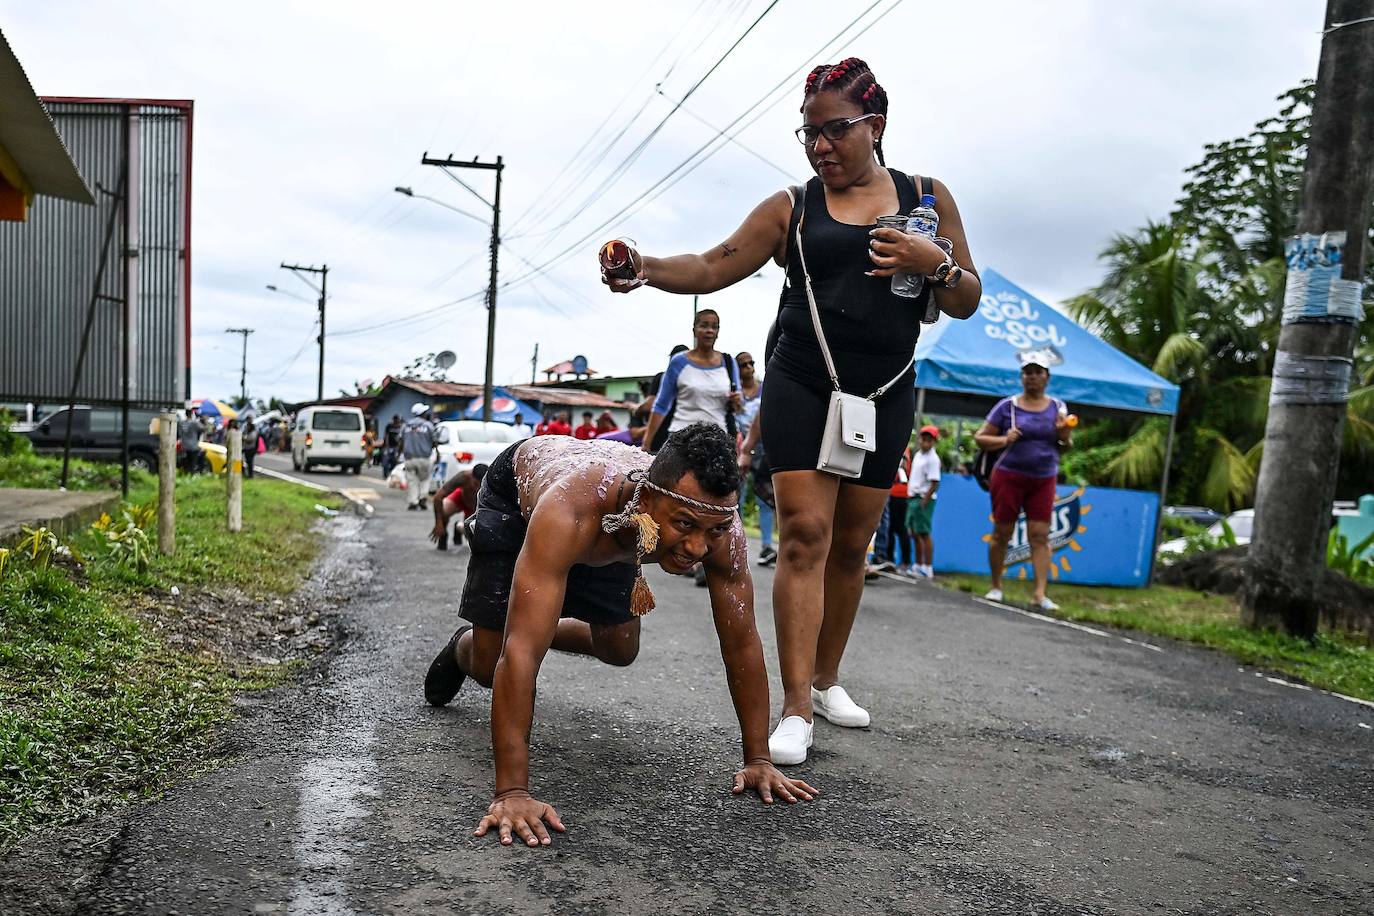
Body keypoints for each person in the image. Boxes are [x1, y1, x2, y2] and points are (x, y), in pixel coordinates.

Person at [603, 58, 981, 764]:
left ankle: (829, 679)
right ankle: (797, 708)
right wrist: (647, 267)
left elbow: (965, 297)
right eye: (809, 134)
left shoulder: (928, 197)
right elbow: (714, 264)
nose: (820, 147)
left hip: (886, 390)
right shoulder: (793, 207)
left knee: (852, 542)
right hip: (804, 382)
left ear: (875, 125)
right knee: (806, 533)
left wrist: (935, 261)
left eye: (835, 130)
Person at [423, 424, 816, 846]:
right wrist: (513, 793)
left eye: (713, 531)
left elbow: (741, 641)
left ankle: (536, 621)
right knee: (492, 662)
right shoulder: (569, 510)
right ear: (646, 501)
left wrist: (758, 758)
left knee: (619, 648)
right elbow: (519, 652)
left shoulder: (719, 526)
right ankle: (466, 645)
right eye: (685, 525)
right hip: (524, 498)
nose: (699, 549)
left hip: (620, 525)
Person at [973, 355, 1073, 611]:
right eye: (1028, 372)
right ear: (1022, 376)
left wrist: (1065, 436)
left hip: (1044, 478)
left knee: (1040, 536)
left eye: (1038, 371)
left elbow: (1065, 446)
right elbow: (981, 438)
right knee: (1002, 532)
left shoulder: (1058, 407)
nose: (1033, 376)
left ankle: (1040, 594)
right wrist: (1004, 439)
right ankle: (996, 586)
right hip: (1008, 476)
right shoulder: (1007, 406)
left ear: (1047, 377)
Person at [641, 310, 741, 455]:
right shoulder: (679, 362)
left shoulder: (729, 362)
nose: (709, 331)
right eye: (704, 326)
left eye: (714, 327)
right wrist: (647, 443)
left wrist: (736, 401)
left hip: (717, 441)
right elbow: (661, 405)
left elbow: (738, 406)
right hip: (682, 439)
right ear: (694, 330)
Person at [735, 350, 776, 567]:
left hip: (764, 449)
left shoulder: (764, 390)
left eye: (751, 363)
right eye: (743, 364)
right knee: (736, 499)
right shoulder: (733, 394)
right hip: (738, 448)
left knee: (765, 499)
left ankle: (767, 546)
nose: (749, 367)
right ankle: (736, 546)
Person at [906, 425, 941, 579]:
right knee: (914, 532)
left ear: (934, 441)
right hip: (913, 497)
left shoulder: (933, 459)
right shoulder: (919, 455)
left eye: (929, 440)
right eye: (923, 438)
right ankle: (918, 565)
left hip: (922, 499)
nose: (925, 442)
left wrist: (925, 500)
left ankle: (927, 567)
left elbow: (935, 482)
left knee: (924, 532)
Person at [430, 463, 489, 550]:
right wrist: (439, 523)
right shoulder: (463, 477)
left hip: (475, 507)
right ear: (471, 477)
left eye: (480, 486)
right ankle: (443, 534)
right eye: (475, 484)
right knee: (443, 510)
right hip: (460, 498)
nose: (477, 489)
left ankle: (458, 527)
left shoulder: (490, 482)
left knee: (470, 532)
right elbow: (438, 497)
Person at [402, 403, 442, 511]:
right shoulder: (428, 425)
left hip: (409, 458)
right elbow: (434, 441)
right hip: (424, 457)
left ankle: (413, 502)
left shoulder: (406, 426)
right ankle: (423, 497)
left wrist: (399, 455)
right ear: (422, 413)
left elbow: (400, 441)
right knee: (425, 479)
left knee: (412, 480)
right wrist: (437, 453)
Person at [178, 409, 205, 474]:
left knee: (185, 464)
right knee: (192, 464)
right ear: (192, 414)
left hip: (184, 446)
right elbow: (202, 429)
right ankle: (191, 476)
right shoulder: (195, 423)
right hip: (193, 446)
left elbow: (179, 434)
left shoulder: (181, 423)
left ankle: (185, 475)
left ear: (185, 414)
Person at [381, 414, 403, 479]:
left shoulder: (400, 427)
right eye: (395, 420)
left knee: (394, 461)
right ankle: (385, 474)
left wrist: (399, 447)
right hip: (389, 446)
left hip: (396, 447)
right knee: (385, 461)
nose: (396, 422)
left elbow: (401, 439)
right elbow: (386, 436)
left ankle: (391, 473)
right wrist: (386, 446)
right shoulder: (389, 426)